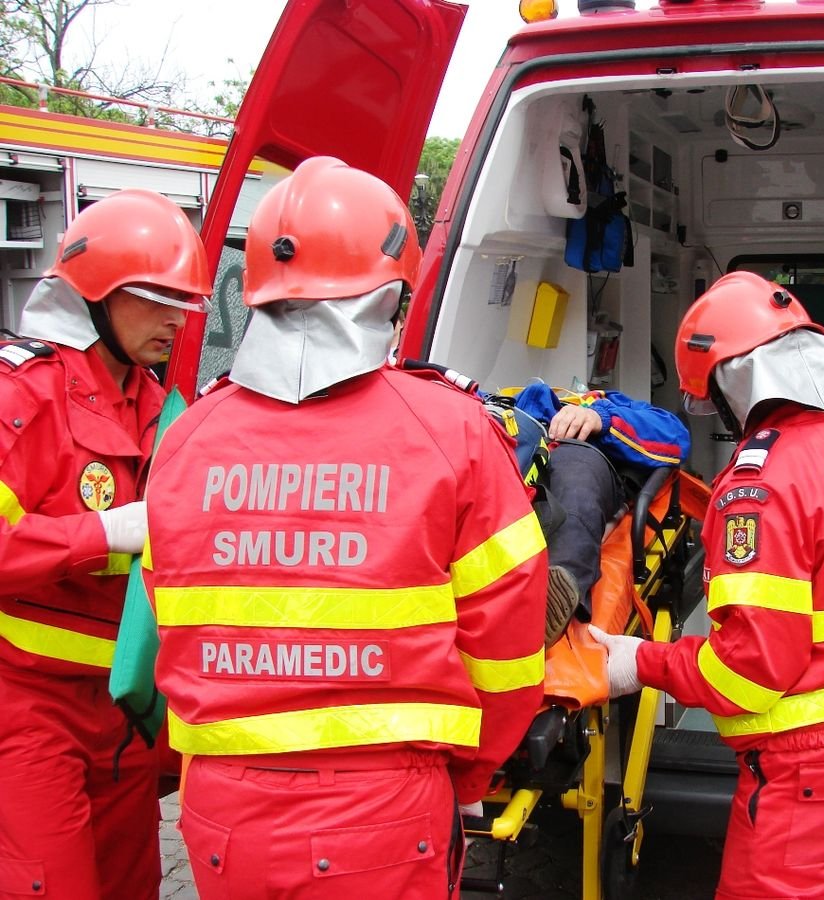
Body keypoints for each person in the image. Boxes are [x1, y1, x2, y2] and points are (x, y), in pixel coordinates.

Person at [143, 157, 548, 899]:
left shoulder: (188, 435)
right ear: (391, 288)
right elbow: (510, 636)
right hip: (383, 811)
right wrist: (474, 767)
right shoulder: (448, 428)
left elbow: (169, 613)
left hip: (223, 813)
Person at [590, 270, 824, 899]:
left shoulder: (758, 489)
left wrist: (641, 663)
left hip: (811, 768)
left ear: (726, 385)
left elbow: (750, 671)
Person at [0, 189, 211, 900]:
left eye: (181, 301)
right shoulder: (19, 396)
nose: (173, 319)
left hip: (124, 710)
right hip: (27, 710)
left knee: (131, 886)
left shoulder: (161, 408)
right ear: (94, 296)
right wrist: (101, 533)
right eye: (153, 297)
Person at [508, 380, 690, 644]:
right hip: (514, 444)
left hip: (577, 454)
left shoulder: (608, 404)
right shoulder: (506, 398)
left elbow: (675, 436)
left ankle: (555, 593)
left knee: (575, 484)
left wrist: (600, 418)